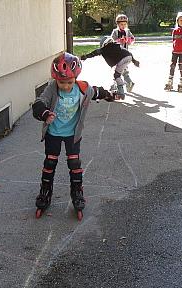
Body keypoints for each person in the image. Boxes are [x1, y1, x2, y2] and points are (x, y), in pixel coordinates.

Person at [31, 52, 115, 220]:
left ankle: (77, 192)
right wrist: (45, 113)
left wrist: (109, 95)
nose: (66, 86)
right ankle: (45, 192)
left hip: (72, 135)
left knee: (74, 163)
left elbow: (96, 92)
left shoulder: (82, 88)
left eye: (69, 82)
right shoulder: (52, 88)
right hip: (53, 134)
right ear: (56, 79)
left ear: (76, 78)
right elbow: (38, 103)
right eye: (62, 82)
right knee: (50, 162)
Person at [164, 12, 182, 92]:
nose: (181, 22)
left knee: (181, 65)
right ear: (177, 21)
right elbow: (174, 40)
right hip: (175, 51)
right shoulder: (175, 31)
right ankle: (170, 81)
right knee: (172, 65)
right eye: (180, 20)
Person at [110, 14, 136, 92]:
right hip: (117, 53)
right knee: (121, 69)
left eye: (125, 24)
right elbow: (112, 41)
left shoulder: (127, 31)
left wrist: (128, 40)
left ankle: (118, 85)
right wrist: (119, 40)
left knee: (119, 70)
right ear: (118, 24)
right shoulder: (115, 32)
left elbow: (133, 39)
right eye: (121, 24)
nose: (123, 26)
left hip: (124, 54)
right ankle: (128, 83)